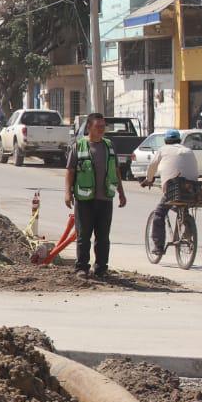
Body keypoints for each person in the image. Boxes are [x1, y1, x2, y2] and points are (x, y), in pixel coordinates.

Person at [65, 112, 127, 279]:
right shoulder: (79, 146)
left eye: (103, 126)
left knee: (103, 237)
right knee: (83, 235)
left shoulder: (109, 146)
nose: (101, 129)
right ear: (89, 127)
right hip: (85, 199)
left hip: (105, 199)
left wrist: (121, 192)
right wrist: (67, 193)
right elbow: (70, 171)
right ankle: (81, 268)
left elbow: (116, 170)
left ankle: (101, 268)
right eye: (98, 126)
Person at [141, 129, 199, 255]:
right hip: (192, 188)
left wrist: (148, 180)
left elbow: (152, 166)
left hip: (173, 188)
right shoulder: (188, 151)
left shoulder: (163, 149)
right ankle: (187, 224)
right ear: (179, 140)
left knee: (159, 213)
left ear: (166, 141)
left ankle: (159, 246)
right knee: (181, 204)